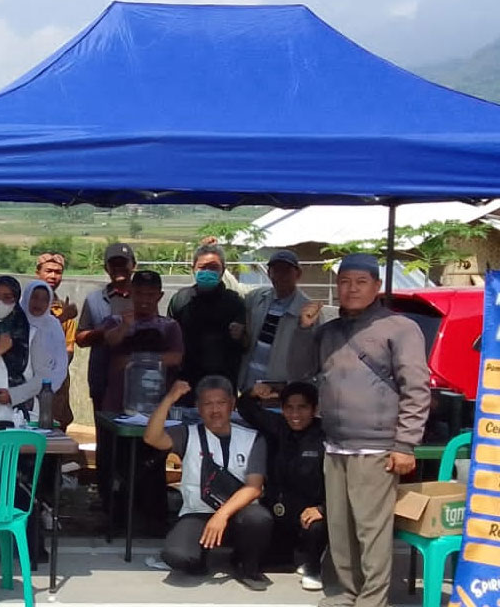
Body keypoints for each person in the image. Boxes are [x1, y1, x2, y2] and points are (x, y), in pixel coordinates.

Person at [316, 254, 430, 607]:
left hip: (377, 448)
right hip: (335, 445)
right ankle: (348, 593)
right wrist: (307, 329)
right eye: (345, 281)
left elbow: (417, 387)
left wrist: (405, 444)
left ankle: (372, 600)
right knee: (341, 530)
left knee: (371, 531)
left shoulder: (399, 327)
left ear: (377, 287)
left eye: (360, 282)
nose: (351, 289)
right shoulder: (329, 331)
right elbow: (296, 370)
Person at [144, 376, 273, 591]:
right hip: (198, 512)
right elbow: (151, 437)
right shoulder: (188, 433)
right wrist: (169, 399)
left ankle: (245, 565)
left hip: (239, 514)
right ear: (198, 408)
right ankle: (200, 559)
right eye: (208, 404)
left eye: (221, 403)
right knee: (177, 556)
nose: (215, 410)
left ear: (232, 404)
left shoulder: (253, 438)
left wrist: (221, 516)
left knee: (258, 518)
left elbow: (254, 487)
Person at [96, 270, 183, 535]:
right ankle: (116, 518)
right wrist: (125, 327)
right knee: (116, 464)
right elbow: (109, 342)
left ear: (159, 295)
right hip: (117, 406)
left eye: (150, 295)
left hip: (153, 410)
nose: (144, 300)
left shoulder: (169, 326)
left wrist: (138, 360)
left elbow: (176, 357)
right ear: (131, 294)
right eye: (139, 294)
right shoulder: (115, 320)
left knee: (151, 466)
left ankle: (153, 521)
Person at [238, 380, 327, 591]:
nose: (295, 414)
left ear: (314, 409)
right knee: (270, 562)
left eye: (302, 407)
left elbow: (339, 482)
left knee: (316, 525)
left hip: (311, 513)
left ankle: (314, 566)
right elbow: (245, 408)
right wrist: (253, 391)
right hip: (280, 511)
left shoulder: (326, 435)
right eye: (289, 407)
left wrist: (323, 508)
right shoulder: (277, 426)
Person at [0, 276, 56, 424]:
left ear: (16, 301)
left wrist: (14, 395)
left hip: (21, 415)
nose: (0, 303)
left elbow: (43, 379)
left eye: (7, 298)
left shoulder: (31, 335)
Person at [75, 242, 136, 452]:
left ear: (133, 266)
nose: (119, 269)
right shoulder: (94, 300)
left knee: (134, 443)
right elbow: (80, 338)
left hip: (135, 383)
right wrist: (102, 332)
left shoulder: (144, 297)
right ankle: (105, 484)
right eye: (114, 264)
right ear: (106, 268)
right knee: (106, 442)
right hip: (103, 380)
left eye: (123, 264)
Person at [238, 250, 324, 390]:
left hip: (281, 391)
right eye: (276, 271)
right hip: (249, 386)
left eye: (287, 271)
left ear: (298, 274)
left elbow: (314, 357)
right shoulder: (255, 298)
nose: (281, 276)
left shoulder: (309, 311)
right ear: (268, 273)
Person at [169, 243, 247, 393]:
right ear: (193, 269)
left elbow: (245, 344)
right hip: (186, 382)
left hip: (223, 382)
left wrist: (240, 335)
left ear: (222, 270)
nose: (207, 272)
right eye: (202, 267)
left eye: (213, 267)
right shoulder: (180, 300)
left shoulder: (235, 302)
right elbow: (172, 340)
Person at [35, 252, 78, 427]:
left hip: (56, 381)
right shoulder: (24, 304)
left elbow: (69, 347)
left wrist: (56, 373)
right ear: (38, 272)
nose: (53, 276)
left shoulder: (63, 308)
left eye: (58, 272)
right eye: (49, 271)